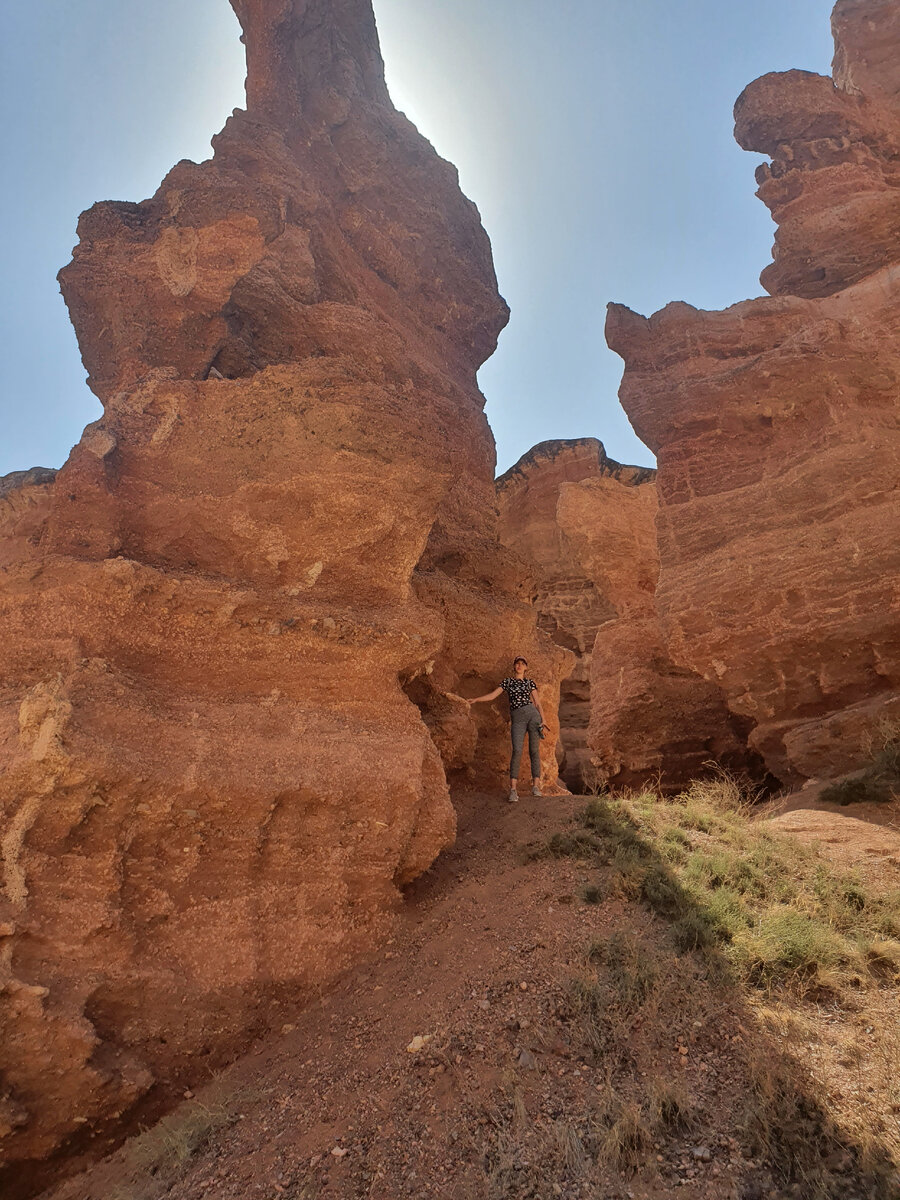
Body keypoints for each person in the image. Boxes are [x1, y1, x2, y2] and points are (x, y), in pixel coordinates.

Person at [466, 656, 546, 803]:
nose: (519, 666)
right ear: (514, 667)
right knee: (516, 750)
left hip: (533, 716)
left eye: (522, 664)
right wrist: (476, 699)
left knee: (534, 751)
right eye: (517, 664)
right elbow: (492, 696)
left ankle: (536, 787)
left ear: (526, 667)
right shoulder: (507, 682)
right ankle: (513, 790)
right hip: (518, 718)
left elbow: (538, 703)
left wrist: (543, 719)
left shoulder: (530, 682)